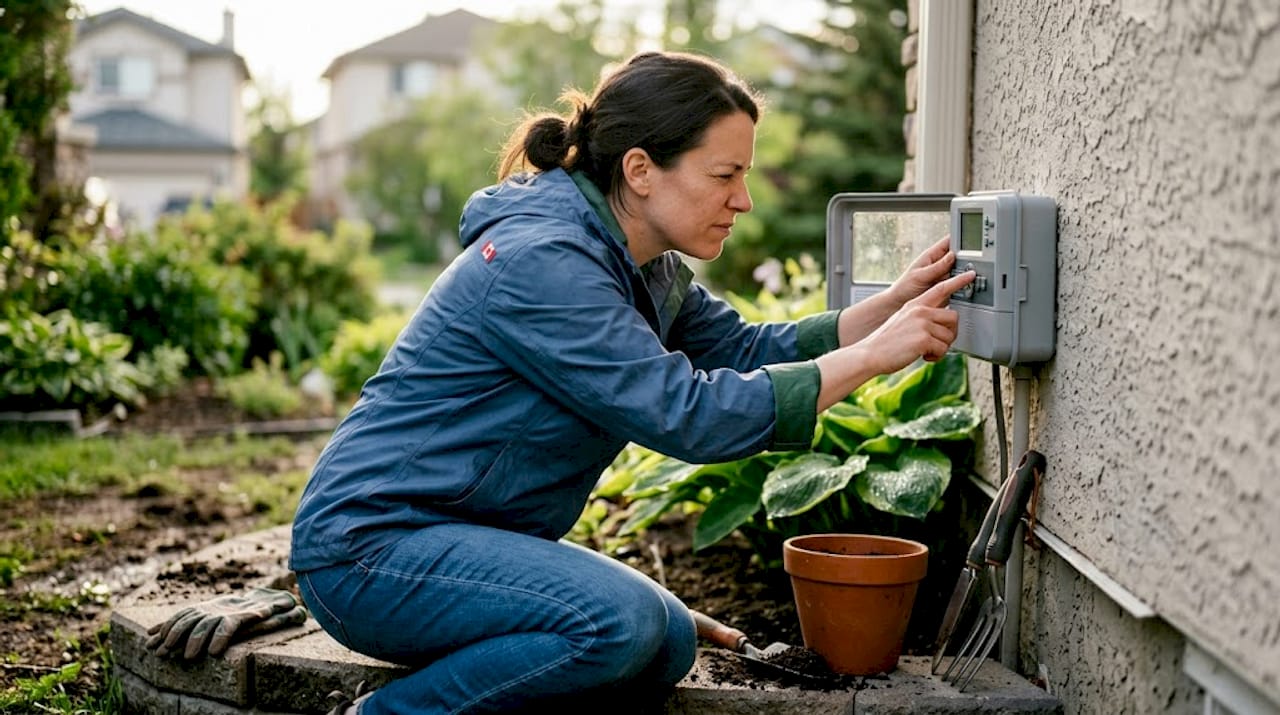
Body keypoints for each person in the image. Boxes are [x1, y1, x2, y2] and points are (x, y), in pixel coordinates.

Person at [290, 50, 975, 715]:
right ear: (641, 170)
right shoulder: (546, 263)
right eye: (725, 174)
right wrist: (873, 357)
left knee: (667, 640)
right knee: (618, 624)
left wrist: (886, 308)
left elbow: (739, 350)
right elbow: (691, 415)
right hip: (370, 550)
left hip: (455, 540)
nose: (744, 199)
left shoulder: (638, 262)